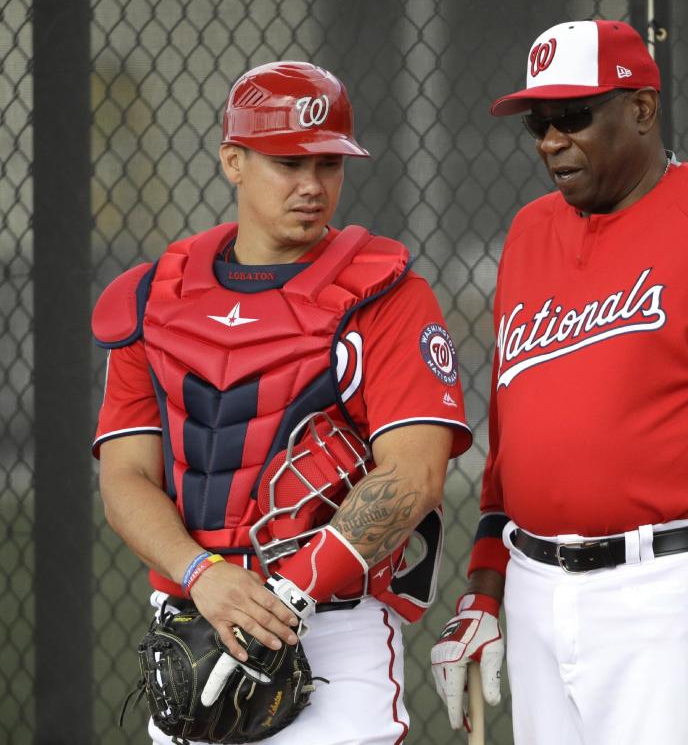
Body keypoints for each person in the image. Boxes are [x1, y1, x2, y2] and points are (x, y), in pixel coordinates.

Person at [430, 20, 688, 745]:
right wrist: (483, 593)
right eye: (540, 122)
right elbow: (510, 456)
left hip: (669, 591)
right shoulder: (528, 233)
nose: (551, 140)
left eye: (574, 117)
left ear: (644, 110)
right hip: (532, 591)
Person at [92, 61, 472, 745]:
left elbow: (415, 474)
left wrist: (284, 596)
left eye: (329, 165)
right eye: (288, 163)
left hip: (330, 627)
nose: (312, 185)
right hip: (194, 622)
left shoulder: (384, 294)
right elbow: (125, 479)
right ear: (233, 161)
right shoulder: (153, 299)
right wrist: (202, 576)